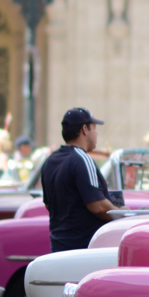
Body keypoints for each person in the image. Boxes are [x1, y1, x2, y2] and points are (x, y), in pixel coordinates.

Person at [42, 107, 117, 252]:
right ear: (84, 129)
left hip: (58, 247)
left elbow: (48, 205)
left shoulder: (50, 160)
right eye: (94, 128)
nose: (96, 134)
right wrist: (120, 212)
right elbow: (98, 206)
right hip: (84, 248)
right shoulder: (82, 159)